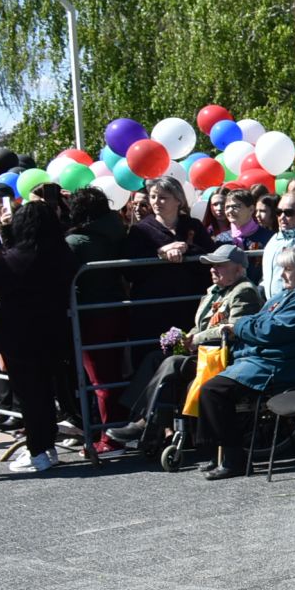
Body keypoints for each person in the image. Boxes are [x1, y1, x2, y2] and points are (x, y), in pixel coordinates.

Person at [107, 244, 261, 454]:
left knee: (172, 363)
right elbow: (202, 326)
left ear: (239, 269)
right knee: (155, 357)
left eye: (220, 265)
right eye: (211, 265)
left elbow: (233, 329)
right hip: (204, 352)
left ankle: (147, 424)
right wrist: (186, 336)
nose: (212, 269)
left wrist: (195, 339)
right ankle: (144, 420)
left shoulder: (244, 291)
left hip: (225, 356)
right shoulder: (213, 292)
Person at [197, 244, 295, 480]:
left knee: (214, 390)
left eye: (287, 269)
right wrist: (245, 326)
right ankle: (214, 453)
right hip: (262, 359)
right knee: (205, 382)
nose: (281, 275)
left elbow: (271, 330)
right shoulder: (288, 294)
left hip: (279, 365)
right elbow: (258, 320)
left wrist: (238, 326)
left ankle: (234, 459)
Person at [0, 202, 77, 474]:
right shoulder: (62, 252)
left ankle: (38, 452)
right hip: (54, 330)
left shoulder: (15, 257)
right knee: (47, 391)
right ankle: (47, 448)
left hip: (19, 334)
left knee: (30, 397)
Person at [65, 185, 131, 430]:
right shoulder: (120, 230)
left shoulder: (76, 242)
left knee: (100, 379)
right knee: (114, 374)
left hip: (91, 314)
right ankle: (117, 429)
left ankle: (110, 435)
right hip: (116, 307)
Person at [126, 175, 218, 338]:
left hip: (190, 304)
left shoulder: (193, 225)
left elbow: (211, 257)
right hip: (154, 307)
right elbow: (131, 270)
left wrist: (186, 249)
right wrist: (159, 253)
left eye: (162, 198)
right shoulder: (140, 230)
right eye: (153, 197)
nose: (156, 202)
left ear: (178, 200)